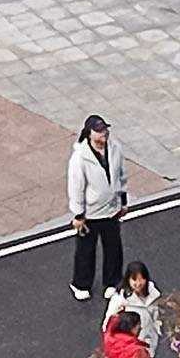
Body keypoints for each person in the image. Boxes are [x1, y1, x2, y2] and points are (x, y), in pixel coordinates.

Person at [66, 114, 129, 302]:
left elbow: (121, 175)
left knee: (113, 248)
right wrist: (78, 214)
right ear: (89, 133)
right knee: (86, 250)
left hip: (111, 209)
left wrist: (123, 201)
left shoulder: (115, 148)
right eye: (99, 131)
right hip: (90, 214)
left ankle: (112, 281)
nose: (104, 134)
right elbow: (76, 186)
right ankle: (81, 284)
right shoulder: (80, 158)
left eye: (105, 130)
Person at [102, 261, 160, 347]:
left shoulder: (152, 293)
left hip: (150, 337)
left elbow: (156, 313)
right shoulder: (120, 298)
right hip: (131, 341)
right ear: (128, 279)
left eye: (141, 279)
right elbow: (109, 321)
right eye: (134, 280)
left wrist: (157, 328)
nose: (138, 283)